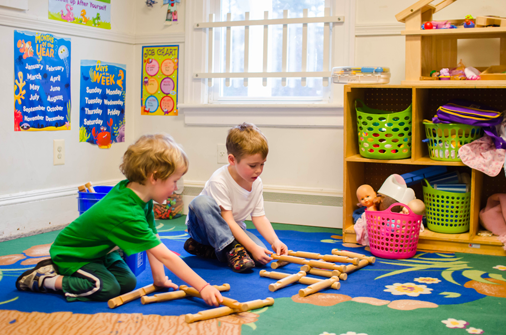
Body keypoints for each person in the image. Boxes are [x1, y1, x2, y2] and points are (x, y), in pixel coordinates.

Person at [16, 134, 223, 306]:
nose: (176, 188)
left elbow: (154, 241)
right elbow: (167, 256)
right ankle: (48, 279)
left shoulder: (141, 196)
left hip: (100, 252)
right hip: (74, 254)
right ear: (155, 177)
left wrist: (159, 279)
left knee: (128, 282)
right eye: (174, 181)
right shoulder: (126, 213)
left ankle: (73, 272)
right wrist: (203, 287)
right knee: (106, 288)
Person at [183, 122, 288, 273]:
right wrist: (251, 247)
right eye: (252, 166)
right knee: (201, 202)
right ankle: (230, 249)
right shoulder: (219, 180)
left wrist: (275, 241)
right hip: (204, 230)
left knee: (261, 257)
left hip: (232, 230)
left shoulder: (256, 183)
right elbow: (228, 220)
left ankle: (210, 250)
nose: (258, 171)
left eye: (262, 164)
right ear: (232, 160)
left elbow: (259, 217)